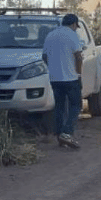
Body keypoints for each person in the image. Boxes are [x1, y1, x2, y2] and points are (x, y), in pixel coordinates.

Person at [42, 13, 83, 149]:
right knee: (76, 105)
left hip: (55, 79)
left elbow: (44, 56)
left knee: (59, 106)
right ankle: (66, 133)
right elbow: (78, 56)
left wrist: (53, 69)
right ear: (73, 24)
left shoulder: (50, 35)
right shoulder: (72, 35)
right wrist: (79, 74)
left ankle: (60, 136)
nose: (76, 28)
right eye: (76, 26)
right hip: (71, 78)